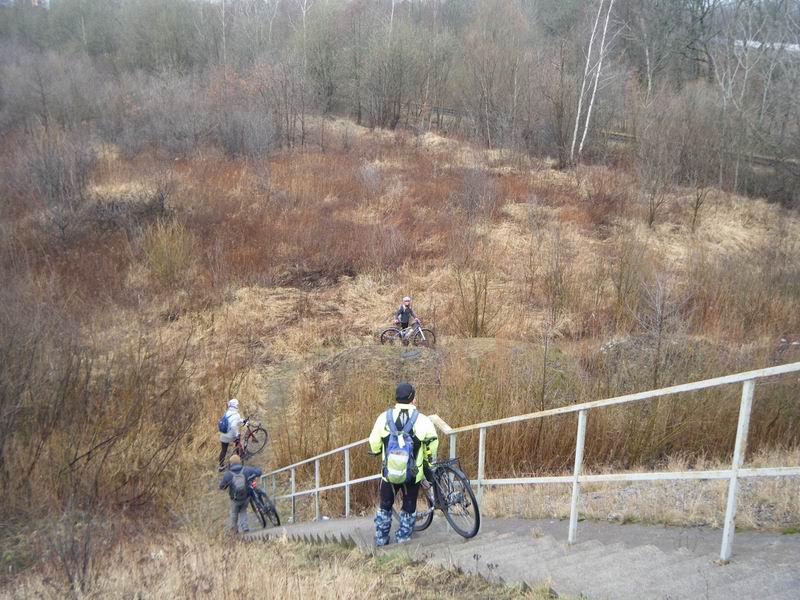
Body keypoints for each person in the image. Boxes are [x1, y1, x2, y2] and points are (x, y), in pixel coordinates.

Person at [368, 382, 439, 546]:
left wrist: (378, 449)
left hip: (389, 473)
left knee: (385, 505)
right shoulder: (422, 420)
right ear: (413, 399)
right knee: (409, 505)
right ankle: (403, 539)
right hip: (413, 474)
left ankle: (381, 539)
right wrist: (428, 457)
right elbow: (433, 442)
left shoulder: (384, 418)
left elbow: (373, 441)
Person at [219, 454, 262, 535]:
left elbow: (222, 487)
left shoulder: (228, 475)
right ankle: (245, 528)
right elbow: (258, 472)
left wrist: (222, 484)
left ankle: (234, 530)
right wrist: (258, 471)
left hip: (235, 499)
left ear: (230, 464)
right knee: (243, 511)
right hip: (246, 497)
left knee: (234, 513)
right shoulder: (246, 470)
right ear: (240, 462)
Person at [218, 398, 244, 471]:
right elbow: (233, 425)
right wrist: (237, 434)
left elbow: (234, 421)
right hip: (230, 436)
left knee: (223, 450)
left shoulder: (226, 412)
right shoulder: (237, 414)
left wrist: (241, 421)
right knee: (238, 441)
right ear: (236, 406)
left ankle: (221, 466)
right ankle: (238, 457)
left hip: (223, 434)